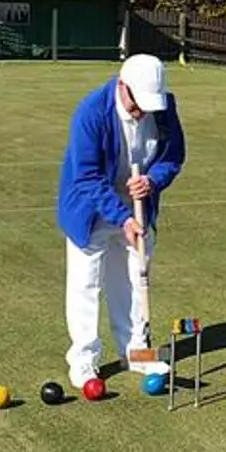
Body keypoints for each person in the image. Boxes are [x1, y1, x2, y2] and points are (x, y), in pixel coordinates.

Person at [55, 53, 185, 389]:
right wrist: (122, 216)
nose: (143, 111)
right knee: (87, 284)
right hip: (91, 209)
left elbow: (173, 156)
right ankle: (83, 360)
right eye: (138, 103)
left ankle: (136, 352)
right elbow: (86, 176)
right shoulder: (92, 112)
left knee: (132, 277)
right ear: (122, 86)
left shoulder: (163, 106)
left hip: (139, 205)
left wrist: (153, 180)